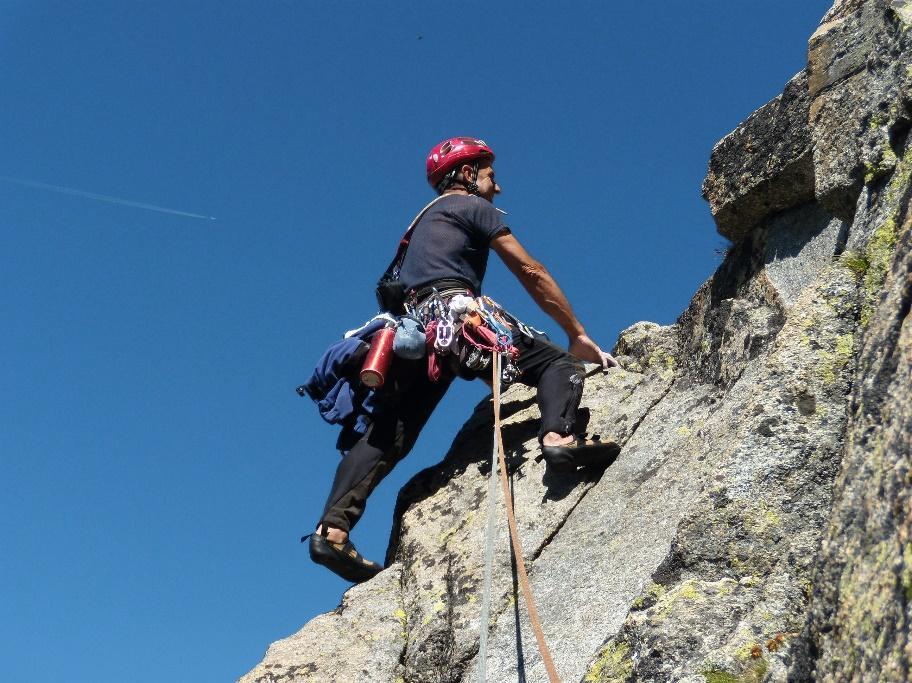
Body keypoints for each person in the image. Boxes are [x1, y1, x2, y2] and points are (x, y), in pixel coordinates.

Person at [306, 137, 619, 582]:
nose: (499, 187)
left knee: (389, 433)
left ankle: (332, 531)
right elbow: (531, 271)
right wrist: (578, 334)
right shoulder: (472, 207)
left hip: (413, 333)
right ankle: (559, 441)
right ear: (467, 175)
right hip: (457, 316)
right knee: (557, 363)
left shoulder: (418, 227)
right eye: (491, 174)